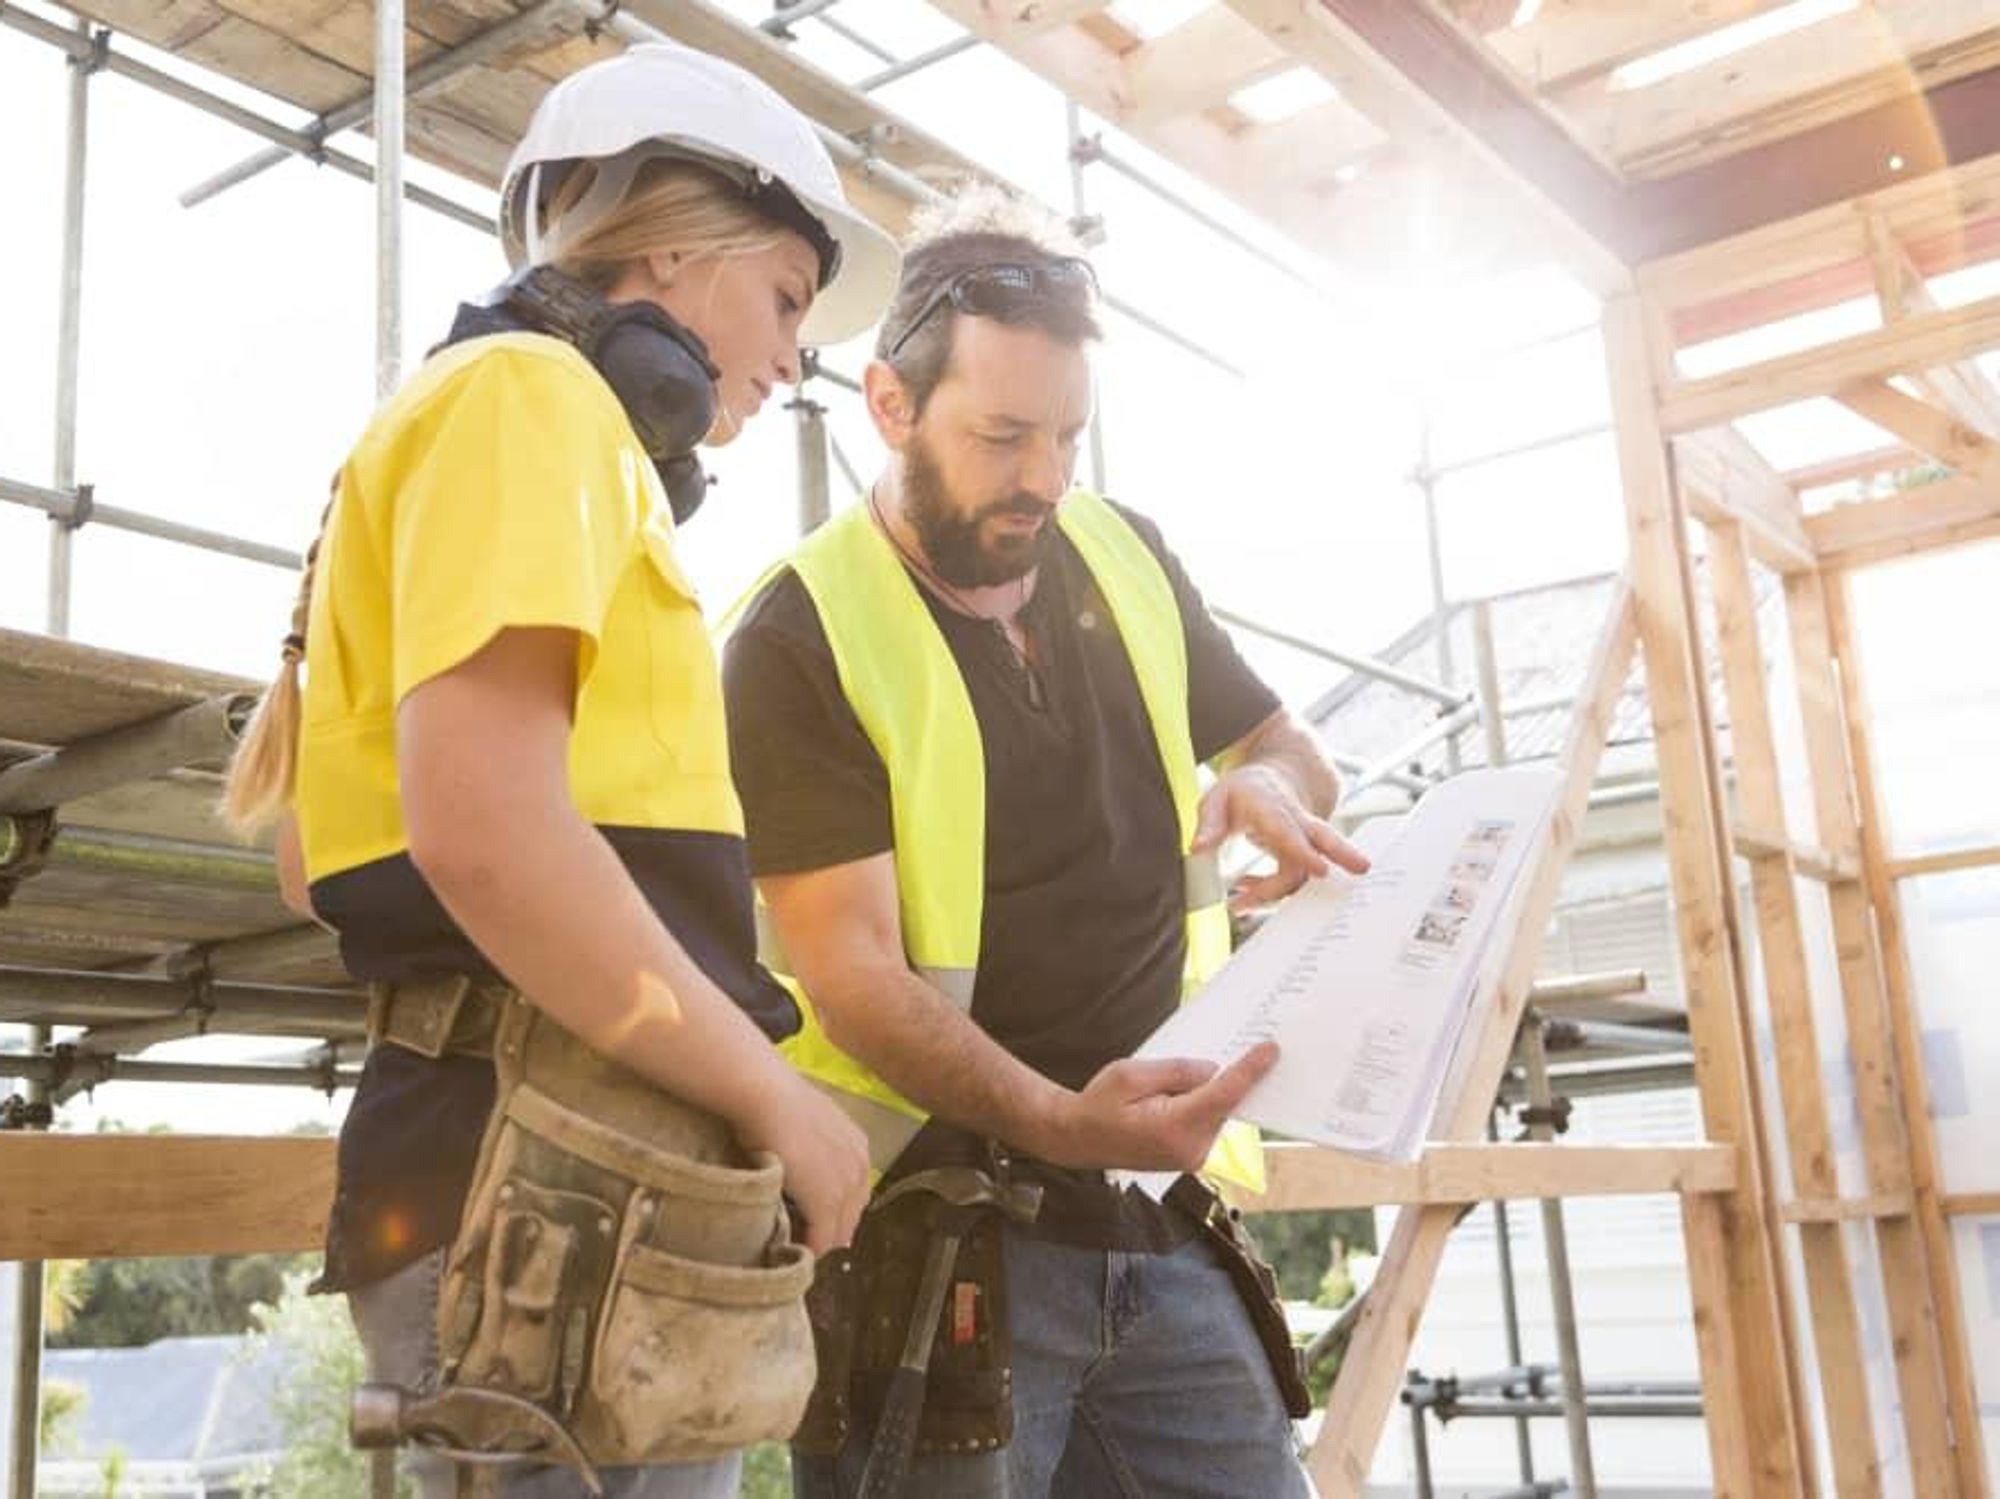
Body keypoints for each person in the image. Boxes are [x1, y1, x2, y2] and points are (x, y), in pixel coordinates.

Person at [223, 42, 900, 1498]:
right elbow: (489, 835)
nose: (795, 355)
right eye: (784, 298)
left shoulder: (484, 419)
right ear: (671, 241)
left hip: (541, 1162)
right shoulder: (534, 403)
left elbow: (321, 858)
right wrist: (776, 1097)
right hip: (551, 1179)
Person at [722, 187, 1367, 1498]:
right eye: (1003, 435)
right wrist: (1068, 1124)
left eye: (1068, 435)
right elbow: (854, 979)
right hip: (933, 1241)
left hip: (1156, 1219)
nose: (1045, 479)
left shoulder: (1124, 555)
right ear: (891, 406)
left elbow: (1289, 748)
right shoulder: (797, 639)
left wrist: (1275, 791)